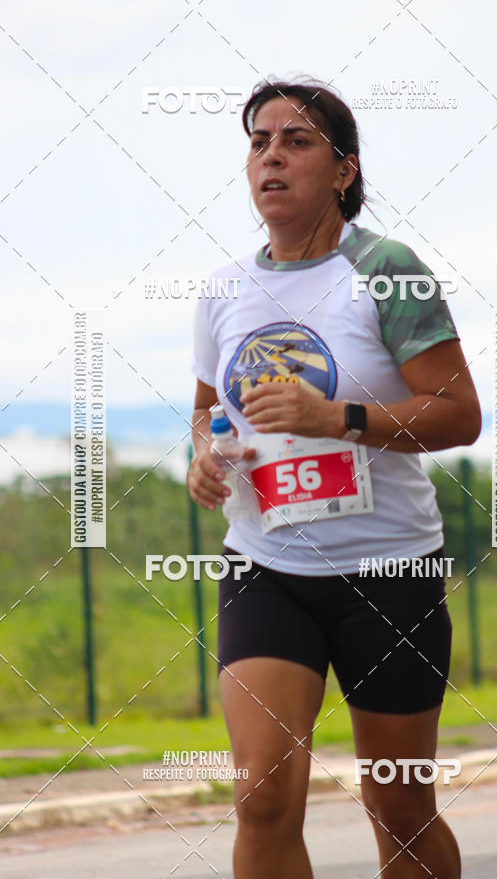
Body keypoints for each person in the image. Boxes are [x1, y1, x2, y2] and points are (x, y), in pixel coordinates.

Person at [187, 75, 481, 879]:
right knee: (264, 799)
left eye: (297, 141)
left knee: (399, 807)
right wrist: (204, 459)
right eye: (259, 143)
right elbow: (208, 411)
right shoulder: (222, 291)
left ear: (344, 171)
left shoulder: (389, 271)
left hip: (388, 570)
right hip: (266, 566)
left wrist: (340, 418)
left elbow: (459, 414)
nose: (272, 157)